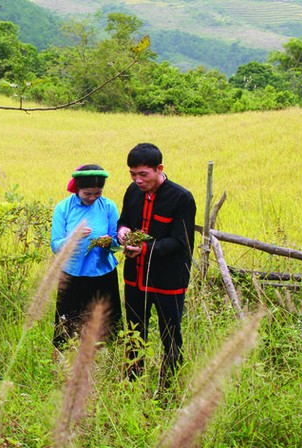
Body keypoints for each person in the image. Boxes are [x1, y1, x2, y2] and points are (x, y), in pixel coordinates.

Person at [117, 143, 196, 388]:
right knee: (134, 331)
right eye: (133, 174)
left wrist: (145, 249)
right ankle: (132, 380)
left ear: (159, 168)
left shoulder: (181, 198)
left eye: (143, 174)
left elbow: (180, 241)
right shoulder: (132, 192)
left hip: (169, 280)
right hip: (135, 278)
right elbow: (124, 221)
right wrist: (123, 232)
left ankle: (169, 385)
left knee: (170, 334)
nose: (138, 180)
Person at [50, 164, 122, 351]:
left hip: (103, 275)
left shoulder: (108, 206)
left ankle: (105, 362)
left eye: (97, 193)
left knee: (107, 326)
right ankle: (62, 363)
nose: (92, 198)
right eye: (87, 194)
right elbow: (56, 246)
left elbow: (117, 243)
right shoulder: (63, 209)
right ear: (77, 189)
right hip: (73, 275)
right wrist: (74, 236)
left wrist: (109, 243)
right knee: (67, 327)